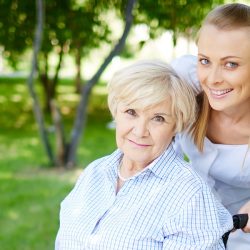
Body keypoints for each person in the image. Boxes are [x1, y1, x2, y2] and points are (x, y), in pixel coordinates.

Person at [55, 60, 232, 249]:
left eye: (158, 118)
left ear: (176, 125)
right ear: (116, 112)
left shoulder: (189, 195)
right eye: (131, 112)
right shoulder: (94, 173)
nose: (140, 131)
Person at [171, 3, 250, 249]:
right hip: (183, 222)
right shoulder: (184, 81)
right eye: (205, 60)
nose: (213, 78)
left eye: (231, 64)